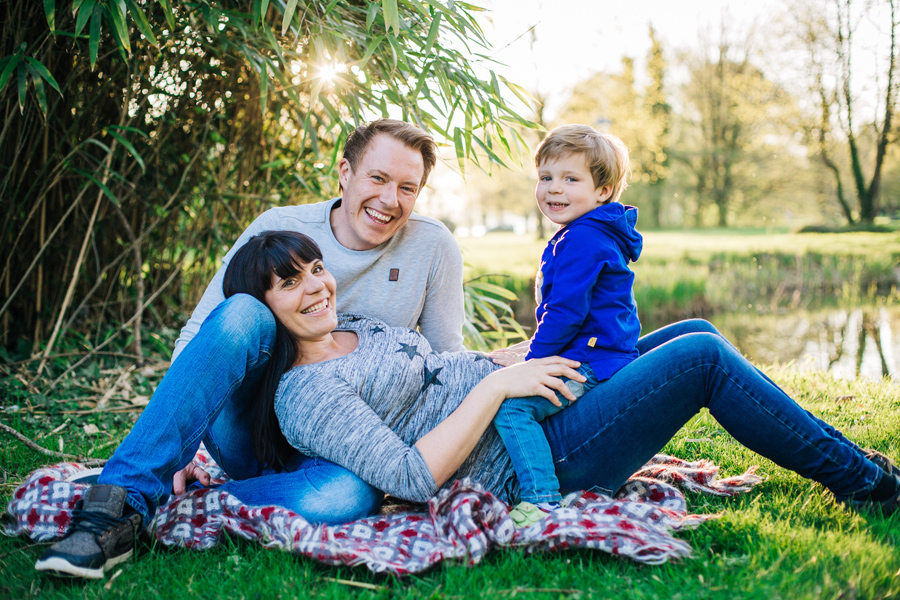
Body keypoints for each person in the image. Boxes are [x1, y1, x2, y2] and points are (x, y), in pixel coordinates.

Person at [35, 119, 465, 579]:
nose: (390, 200)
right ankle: (118, 503)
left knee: (350, 496)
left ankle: (183, 506)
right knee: (243, 312)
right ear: (345, 172)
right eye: (378, 178)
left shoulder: (432, 246)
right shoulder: (281, 227)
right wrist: (179, 451)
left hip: (341, 443)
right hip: (251, 429)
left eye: (407, 188)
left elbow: (445, 360)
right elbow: (204, 336)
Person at [240, 233, 900, 524]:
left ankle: (849, 456)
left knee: (693, 329)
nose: (315, 286)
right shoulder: (306, 393)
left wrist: (505, 360)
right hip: (531, 456)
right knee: (701, 358)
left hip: (531, 402)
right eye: (289, 283)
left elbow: (437, 372)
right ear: (261, 308)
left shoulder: (357, 326)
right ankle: (863, 482)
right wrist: (496, 388)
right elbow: (410, 476)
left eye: (316, 268)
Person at [491, 125, 641, 524]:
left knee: (512, 410)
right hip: (598, 352)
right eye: (546, 177)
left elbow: (565, 313)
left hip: (591, 362)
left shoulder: (583, 238)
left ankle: (542, 500)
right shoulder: (583, 231)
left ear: (603, 190)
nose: (554, 188)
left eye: (570, 179)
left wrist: (532, 364)